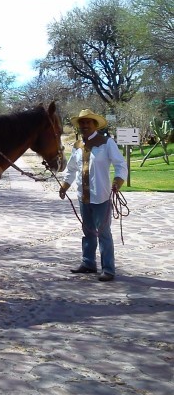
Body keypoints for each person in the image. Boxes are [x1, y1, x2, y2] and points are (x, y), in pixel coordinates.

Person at [59, 109, 128, 282]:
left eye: (88, 122)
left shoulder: (106, 143)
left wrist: (118, 181)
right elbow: (71, 169)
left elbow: (120, 164)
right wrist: (65, 185)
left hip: (102, 196)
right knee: (87, 230)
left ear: (95, 125)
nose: (84, 125)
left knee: (103, 232)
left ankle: (108, 269)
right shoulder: (77, 145)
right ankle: (88, 263)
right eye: (82, 123)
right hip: (84, 196)